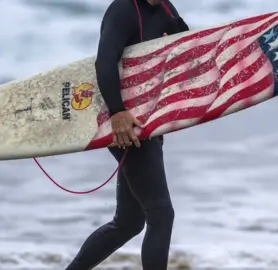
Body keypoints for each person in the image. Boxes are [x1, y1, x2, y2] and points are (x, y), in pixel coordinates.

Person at [65, 0, 189, 269]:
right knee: (161, 214)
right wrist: (117, 113)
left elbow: (182, 49)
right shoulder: (123, 9)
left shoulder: (167, 8)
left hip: (147, 121)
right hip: (126, 126)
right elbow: (105, 62)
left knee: (128, 223)